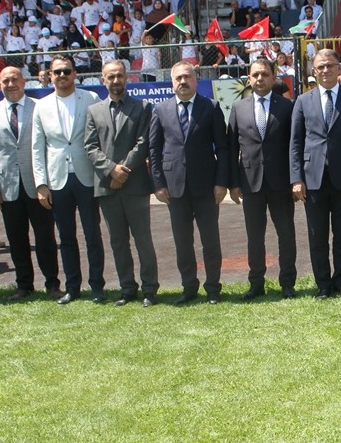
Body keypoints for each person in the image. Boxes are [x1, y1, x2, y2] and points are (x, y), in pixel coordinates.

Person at [290, 49, 341, 299]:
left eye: (330, 65)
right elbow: (295, 143)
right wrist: (296, 178)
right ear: (313, 72)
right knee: (317, 236)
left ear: (340, 69)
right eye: (320, 67)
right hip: (312, 178)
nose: (325, 70)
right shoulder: (303, 101)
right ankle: (323, 285)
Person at [0, 66, 61, 302]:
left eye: (15, 79)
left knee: (45, 238)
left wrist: (47, 182)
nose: (11, 84)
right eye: (5, 81)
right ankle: (24, 285)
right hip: (7, 187)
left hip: (38, 185)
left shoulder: (40, 107)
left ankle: (52, 284)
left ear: (24, 81)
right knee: (16, 239)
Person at [150, 62, 229, 304]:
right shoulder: (160, 110)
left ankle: (213, 288)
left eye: (187, 77)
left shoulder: (211, 107)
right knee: (183, 242)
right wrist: (159, 184)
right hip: (174, 188)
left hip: (206, 187)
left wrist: (221, 183)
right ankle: (189, 287)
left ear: (196, 80)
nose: (183, 82)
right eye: (178, 78)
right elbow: (154, 150)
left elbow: (223, 148)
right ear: (172, 83)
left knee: (210, 241)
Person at [31, 55, 106, 304]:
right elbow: (37, 147)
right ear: (49, 75)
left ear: (75, 73)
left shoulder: (91, 99)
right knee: (66, 237)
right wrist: (41, 184)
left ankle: (97, 285)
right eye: (57, 72)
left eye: (66, 71)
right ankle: (72, 287)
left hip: (86, 176)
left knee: (92, 234)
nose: (62, 76)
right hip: (57, 179)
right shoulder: (40, 106)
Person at [84, 59, 159, 307]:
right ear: (103, 80)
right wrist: (111, 171)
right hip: (107, 187)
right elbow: (90, 147)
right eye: (110, 76)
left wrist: (122, 170)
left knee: (143, 239)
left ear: (127, 78)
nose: (115, 80)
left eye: (119, 76)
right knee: (118, 241)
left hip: (135, 184)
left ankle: (149, 288)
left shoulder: (143, 107)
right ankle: (128, 288)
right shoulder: (94, 111)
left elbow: (143, 143)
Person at [227, 57, 297, 300]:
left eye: (265, 74)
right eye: (255, 74)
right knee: (254, 237)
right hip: (250, 183)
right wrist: (234, 184)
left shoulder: (287, 107)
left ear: (273, 77)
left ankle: (288, 283)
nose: (260, 79)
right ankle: (256, 283)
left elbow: (294, 146)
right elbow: (230, 148)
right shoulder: (238, 108)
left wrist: (295, 179)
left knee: (286, 235)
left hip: (281, 183)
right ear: (249, 78)